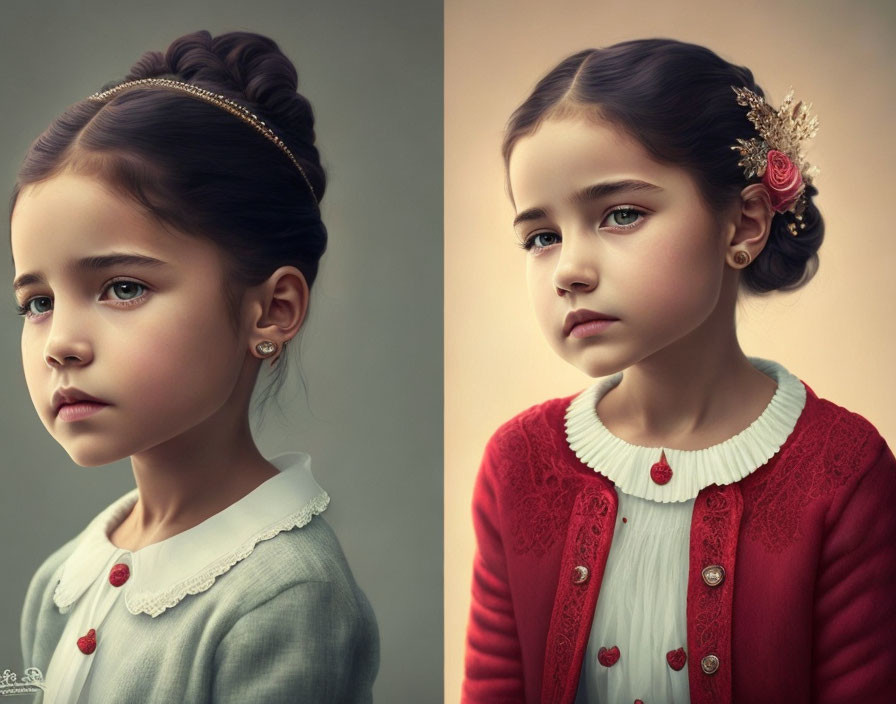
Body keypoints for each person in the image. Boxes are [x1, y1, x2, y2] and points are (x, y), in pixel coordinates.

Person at [462, 38, 896, 704]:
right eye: (541, 236)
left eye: (622, 214)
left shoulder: (843, 467)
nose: (570, 270)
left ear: (744, 224)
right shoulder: (519, 462)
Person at [12, 29, 378, 703]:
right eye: (36, 301)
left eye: (122, 287)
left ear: (271, 310)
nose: (60, 341)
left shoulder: (286, 594)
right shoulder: (63, 580)